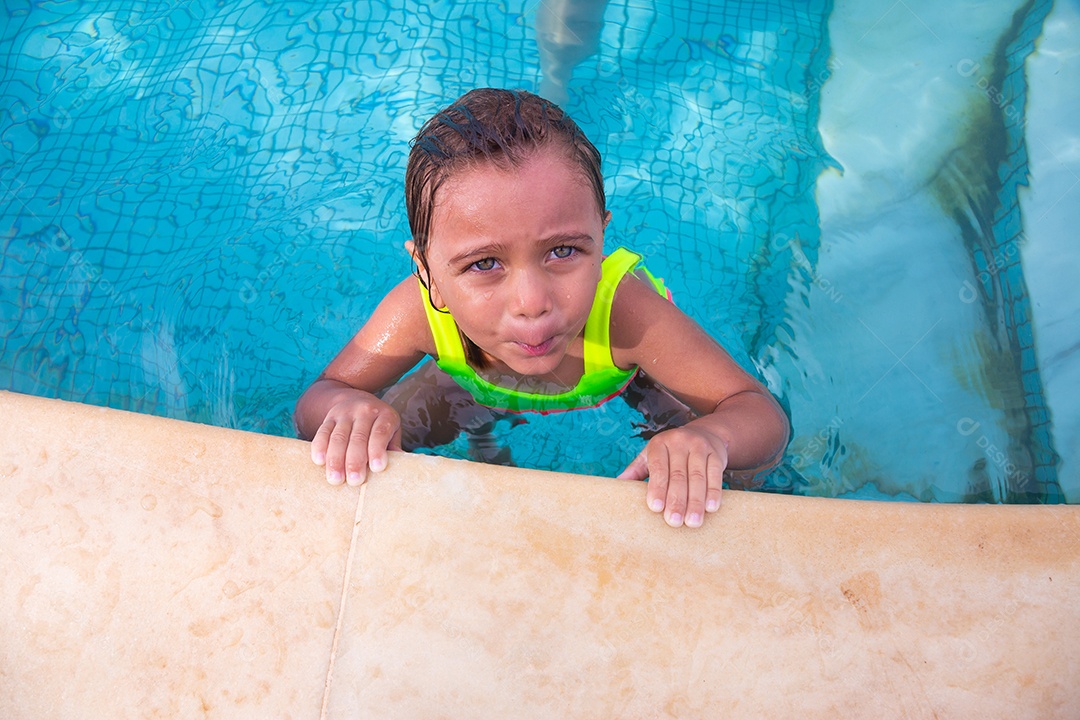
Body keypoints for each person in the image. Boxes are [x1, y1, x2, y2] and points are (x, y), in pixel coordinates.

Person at [295, 88, 789, 528]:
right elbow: (322, 396)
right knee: (375, 443)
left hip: (632, 383)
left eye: (563, 251)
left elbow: (759, 415)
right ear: (428, 274)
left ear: (602, 237)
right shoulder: (417, 313)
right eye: (485, 263)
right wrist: (348, 409)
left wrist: (713, 438)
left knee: (712, 476)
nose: (532, 303)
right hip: (469, 384)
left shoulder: (628, 314)